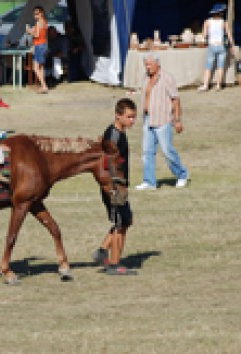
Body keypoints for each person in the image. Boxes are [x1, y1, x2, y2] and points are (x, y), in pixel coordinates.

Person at [92, 98, 137, 275]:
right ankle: (114, 264)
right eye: (129, 117)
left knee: (126, 220)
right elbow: (106, 165)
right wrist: (114, 187)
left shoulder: (119, 132)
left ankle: (103, 251)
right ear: (118, 115)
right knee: (120, 224)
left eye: (134, 117)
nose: (132, 120)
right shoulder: (113, 137)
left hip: (120, 185)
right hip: (113, 188)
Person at [135, 53, 189, 190]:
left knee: (167, 151)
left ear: (157, 64)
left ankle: (182, 175)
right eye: (146, 64)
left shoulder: (166, 78)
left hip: (163, 120)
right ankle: (149, 182)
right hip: (148, 119)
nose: (147, 67)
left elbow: (176, 99)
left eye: (149, 64)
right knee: (147, 152)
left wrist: (177, 120)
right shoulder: (145, 78)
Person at [198, 3, 236, 91]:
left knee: (208, 67)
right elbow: (229, 35)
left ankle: (205, 85)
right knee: (220, 66)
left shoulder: (207, 22)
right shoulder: (224, 22)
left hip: (212, 45)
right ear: (221, 13)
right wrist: (233, 45)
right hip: (221, 46)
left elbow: (204, 35)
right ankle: (219, 85)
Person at [26, 6, 49, 93]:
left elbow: (36, 35)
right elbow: (43, 35)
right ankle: (43, 85)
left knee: (35, 68)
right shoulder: (44, 22)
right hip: (43, 45)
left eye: (37, 13)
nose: (35, 15)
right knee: (41, 67)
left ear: (41, 13)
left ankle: (44, 86)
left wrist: (29, 32)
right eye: (34, 14)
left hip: (39, 45)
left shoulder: (39, 22)